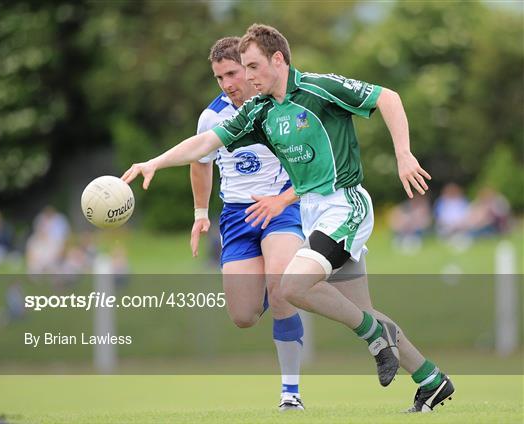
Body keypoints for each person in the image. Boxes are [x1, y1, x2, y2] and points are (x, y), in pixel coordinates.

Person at [122, 24, 454, 413]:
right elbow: (206, 144)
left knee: (292, 287)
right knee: (362, 310)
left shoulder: (318, 87)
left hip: (346, 206)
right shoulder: (261, 112)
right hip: (315, 213)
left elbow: (389, 98)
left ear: (277, 60)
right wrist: (155, 163)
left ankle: (373, 336)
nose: (245, 78)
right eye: (239, 70)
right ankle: (431, 380)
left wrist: (402, 154)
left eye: (251, 67)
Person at [191, 37, 306, 411]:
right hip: (237, 217)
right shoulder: (212, 116)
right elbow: (199, 161)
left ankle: (291, 393)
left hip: (279, 208)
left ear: (250, 67)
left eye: (232, 73)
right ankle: (279, 286)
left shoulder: (280, 104)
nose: (226, 83)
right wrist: (200, 213)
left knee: (282, 283)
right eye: (219, 77)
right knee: (243, 316)